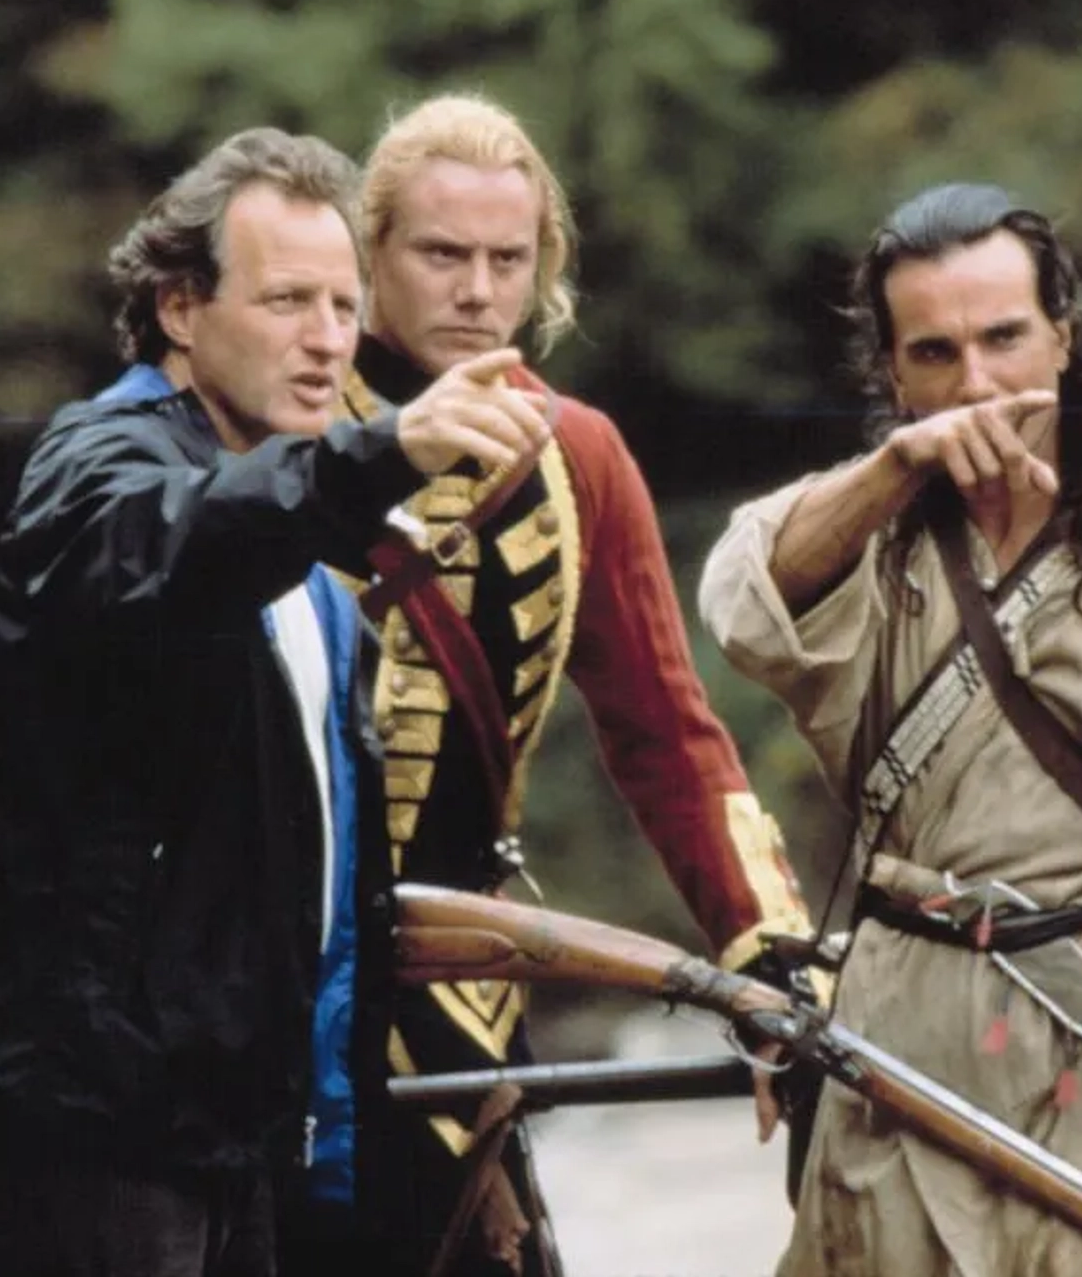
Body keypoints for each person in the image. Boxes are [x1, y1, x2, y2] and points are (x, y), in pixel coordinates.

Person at [0, 126, 551, 1277]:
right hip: (92, 1135)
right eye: (286, 301)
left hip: (236, 1138)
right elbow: (171, 545)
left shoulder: (305, 553)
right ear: (178, 309)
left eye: (344, 306)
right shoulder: (97, 462)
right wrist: (382, 452)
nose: (325, 342)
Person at [696, 183, 1082, 1276]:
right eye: (935, 353)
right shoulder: (880, 539)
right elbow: (746, 602)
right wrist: (899, 467)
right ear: (894, 371)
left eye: (1004, 340)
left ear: (1064, 339)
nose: (976, 384)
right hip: (894, 1066)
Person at [277, 93, 816, 1277]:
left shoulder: (577, 457)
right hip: (261, 985)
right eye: (441, 254)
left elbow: (666, 734)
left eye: (507, 259)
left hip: (455, 987)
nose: (477, 289)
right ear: (370, 259)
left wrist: (768, 953)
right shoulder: (284, 422)